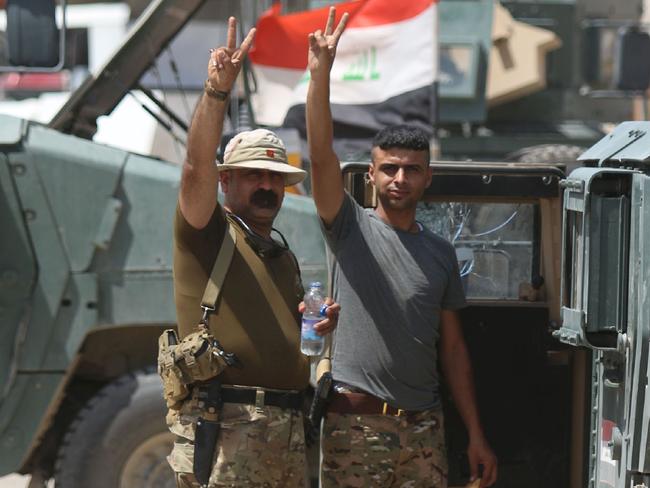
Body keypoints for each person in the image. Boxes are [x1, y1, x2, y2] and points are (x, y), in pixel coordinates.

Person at [305, 8, 497, 488]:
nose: (399, 178)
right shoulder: (348, 226)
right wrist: (320, 74)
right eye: (389, 168)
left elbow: (452, 350)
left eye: (411, 169)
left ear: (427, 178)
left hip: (425, 428)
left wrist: (475, 434)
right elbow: (320, 153)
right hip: (356, 424)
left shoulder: (440, 253)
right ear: (370, 175)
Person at [165, 17, 339, 487]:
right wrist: (217, 92)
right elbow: (194, 169)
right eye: (253, 175)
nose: (267, 185)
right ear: (226, 181)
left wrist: (318, 330)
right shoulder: (208, 232)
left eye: (275, 177)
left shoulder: (281, 255)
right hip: (227, 429)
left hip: (283, 432)